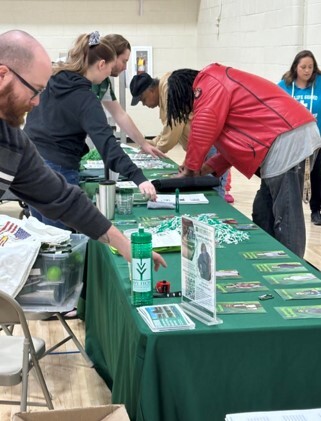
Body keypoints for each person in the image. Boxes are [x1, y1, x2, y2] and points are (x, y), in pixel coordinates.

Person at [0, 29, 166, 271]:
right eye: (34, 90)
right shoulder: (82, 98)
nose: (36, 102)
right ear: (3, 74)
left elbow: (63, 199)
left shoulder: (14, 144)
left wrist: (126, 245)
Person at [170, 63, 321, 258]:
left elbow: (203, 125)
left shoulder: (209, 84)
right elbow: (232, 148)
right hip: (283, 137)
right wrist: (207, 167)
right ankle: (268, 255)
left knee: (286, 212)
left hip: (288, 137)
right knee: (263, 210)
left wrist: (191, 168)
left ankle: (292, 266)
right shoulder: (216, 84)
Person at [23, 31, 158, 230]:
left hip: (30, 163)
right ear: (101, 64)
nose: (109, 76)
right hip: (58, 170)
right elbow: (108, 146)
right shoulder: (86, 100)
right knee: (62, 241)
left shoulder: (51, 79)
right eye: (111, 68)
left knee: (42, 234)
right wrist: (139, 178)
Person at [129, 70, 234, 202]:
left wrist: (156, 150)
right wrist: (153, 143)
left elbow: (174, 130)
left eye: (143, 100)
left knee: (214, 191)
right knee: (204, 191)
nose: (144, 104)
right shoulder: (165, 89)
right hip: (201, 148)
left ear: (150, 90)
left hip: (212, 145)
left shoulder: (168, 88)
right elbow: (176, 126)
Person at [91, 34, 165, 158]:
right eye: (124, 61)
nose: (125, 68)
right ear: (111, 56)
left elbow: (120, 114)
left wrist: (143, 143)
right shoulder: (80, 79)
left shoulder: (104, 82)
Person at [278, 50, 321, 225]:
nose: (307, 70)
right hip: (292, 141)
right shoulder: (284, 85)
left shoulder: (319, 83)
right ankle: (288, 210)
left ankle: (316, 210)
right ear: (295, 67)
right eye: (303, 67)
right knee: (293, 176)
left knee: (318, 176)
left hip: (316, 140)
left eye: (310, 67)